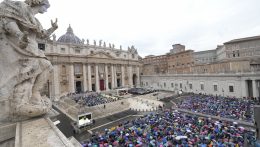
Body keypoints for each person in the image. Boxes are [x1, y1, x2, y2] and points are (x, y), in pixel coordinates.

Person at [0, 0, 58, 117]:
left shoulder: (36, 20)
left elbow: (42, 35)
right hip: (19, 46)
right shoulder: (20, 6)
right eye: (45, 6)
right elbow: (8, 20)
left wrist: (53, 28)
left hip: (33, 48)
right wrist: (19, 35)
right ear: (38, 2)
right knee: (25, 74)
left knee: (46, 66)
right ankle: (19, 102)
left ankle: (34, 92)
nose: (46, 9)